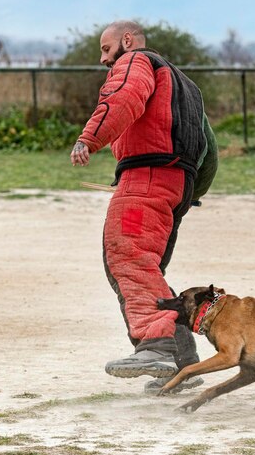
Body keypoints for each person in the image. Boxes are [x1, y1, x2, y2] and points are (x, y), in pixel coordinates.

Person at [70, 20, 217, 394]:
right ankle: (184, 366)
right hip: (173, 184)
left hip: (146, 179)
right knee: (147, 268)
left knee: (128, 258)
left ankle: (158, 348)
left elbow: (122, 96)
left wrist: (90, 138)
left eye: (106, 49)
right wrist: (186, 193)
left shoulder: (136, 62)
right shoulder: (185, 85)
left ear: (127, 40)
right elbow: (209, 149)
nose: (104, 59)